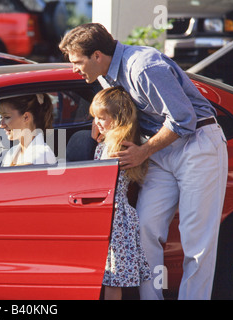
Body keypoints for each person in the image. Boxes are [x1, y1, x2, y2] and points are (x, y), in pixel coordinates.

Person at [59, 23, 228, 300]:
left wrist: (142, 152)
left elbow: (183, 118)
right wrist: (100, 120)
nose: (74, 69)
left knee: (196, 241)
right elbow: (125, 110)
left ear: (98, 55)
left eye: (77, 62)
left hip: (197, 144)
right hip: (161, 150)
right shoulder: (106, 75)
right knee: (146, 227)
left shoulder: (143, 67)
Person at [90, 86, 151, 300]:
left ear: (117, 119)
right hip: (110, 215)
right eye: (94, 117)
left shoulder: (117, 148)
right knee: (110, 275)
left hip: (115, 218)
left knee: (113, 277)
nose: (96, 122)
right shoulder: (106, 145)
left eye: (101, 118)